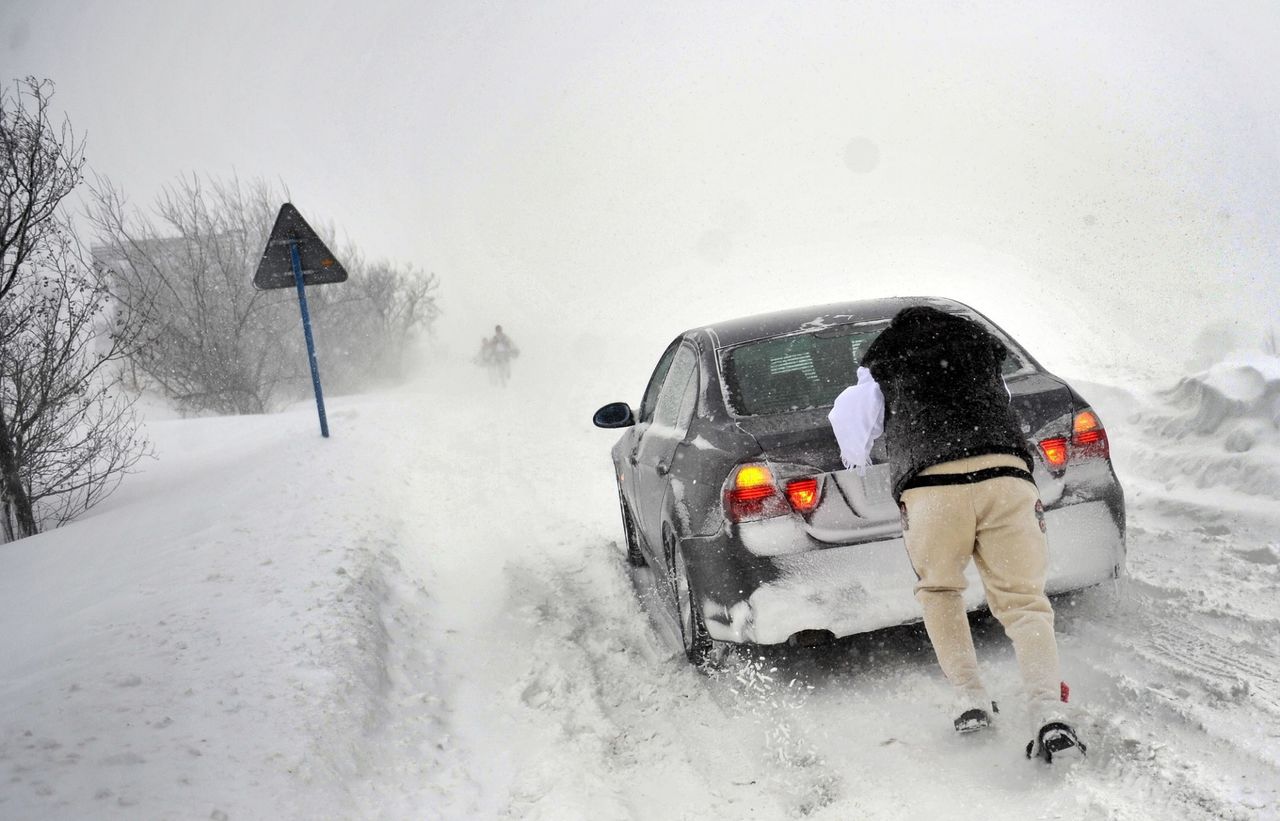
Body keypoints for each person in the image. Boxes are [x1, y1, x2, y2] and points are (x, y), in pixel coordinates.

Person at [830, 305, 1085, 763]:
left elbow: (851, 427)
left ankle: (970, 697)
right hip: (1006, 476)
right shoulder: (981, 354)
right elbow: (1001, 404)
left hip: (932, 489)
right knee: (1025, 602)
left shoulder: (885, 364)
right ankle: (1049, 711)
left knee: (941, 590)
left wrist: (864, 452)